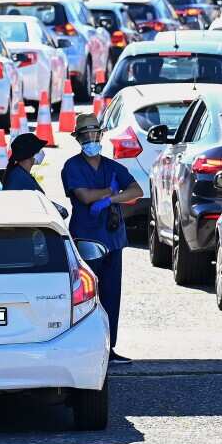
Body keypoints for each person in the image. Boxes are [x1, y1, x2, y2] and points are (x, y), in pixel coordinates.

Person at [61, 113, 142, 364]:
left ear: (101, 135)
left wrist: (110, 200)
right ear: (79, 139)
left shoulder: (112, 166)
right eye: (86, 135)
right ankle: (86, 349)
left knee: (111, 295)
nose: (91, 139)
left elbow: (137, 191)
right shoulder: (72, 166)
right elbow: (84, 197)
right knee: (86, 296)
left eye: (95, 134)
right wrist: (111, 190)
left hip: (112, 238)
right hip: (87, 238)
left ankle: (110, 347)